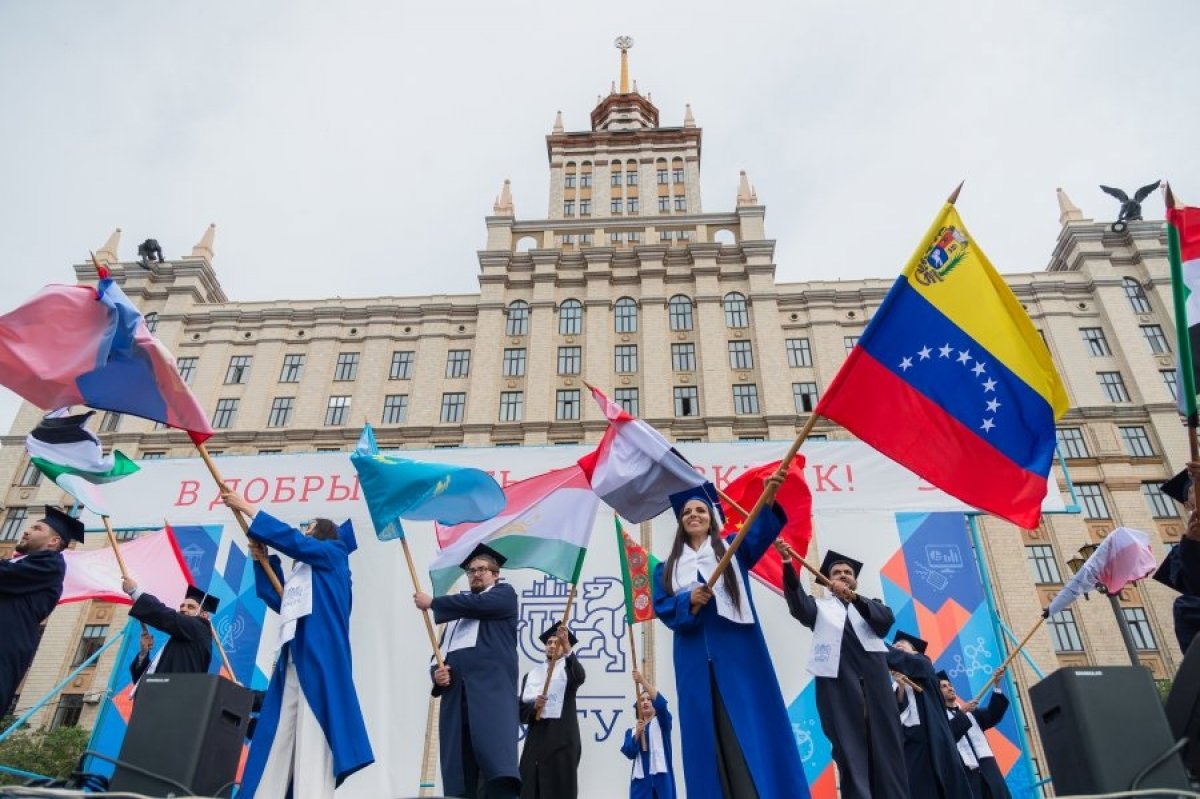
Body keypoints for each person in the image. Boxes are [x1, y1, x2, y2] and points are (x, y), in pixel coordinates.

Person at [652, 482, 809, 799]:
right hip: (693, 656)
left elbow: (759, 531)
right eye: (688, 512)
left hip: (739, 651)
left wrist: (769, 497)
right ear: (680, 522)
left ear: (711, 518)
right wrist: (688, 601)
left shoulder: (731, 552)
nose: (694, 515)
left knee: (751, 725)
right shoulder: (665, 569)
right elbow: (662, 607)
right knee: (704, 733)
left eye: (700, 510)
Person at [222, 490, 374, 799]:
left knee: (312, 733)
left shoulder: (334, 555)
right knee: (278, 732)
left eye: (309, 528)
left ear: (323, 534)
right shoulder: (303, 574)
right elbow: (279, 600)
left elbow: (296, 543)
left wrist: (250, 510)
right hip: (294, 656)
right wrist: (262, 560)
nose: (304, 532)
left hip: (321, 657)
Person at [779, 545, 907, 799]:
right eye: (836, 572)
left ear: (855, 581)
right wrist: (787, 564)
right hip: (838, 689)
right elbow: (798, 606)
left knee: (887, 751)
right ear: (828, 581)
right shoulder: (820, 609)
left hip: (876, 689)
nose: (842, 574)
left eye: (848, 572)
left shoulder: (871, 605)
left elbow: (884, 623)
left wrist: (854, 599)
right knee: (850, 752)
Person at [413, 542, 521, 799]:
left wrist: (433, 603)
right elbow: (438, 656)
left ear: (496, 574)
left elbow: (480, 605)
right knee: (460, 775)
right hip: (457, 700)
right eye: (471, 571)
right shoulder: (456, 617)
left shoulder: (504, 595)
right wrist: (437, 677)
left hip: (488, 699)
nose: (476, 574)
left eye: (482, 569)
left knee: (496, 770)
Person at [0, 507, 81, 715]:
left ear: (53, 541)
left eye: (37, 528)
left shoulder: (50, 564)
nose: (26, 531)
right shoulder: (19, 563)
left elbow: (5, 575)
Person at [887, 630, 973, 799]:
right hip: (911, 742)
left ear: (915, 652)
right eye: (894, 647)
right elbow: (896, 712)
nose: (896, 648)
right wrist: (901, 686)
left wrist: (876, 645)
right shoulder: (894, 687)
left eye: (901, 646)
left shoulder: (924, 665)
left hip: (933, 737)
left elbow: (903, 661)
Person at [518, 622, 585, 799]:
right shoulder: (531, 675)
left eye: (557, 643)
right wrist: (534, 707)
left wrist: (568, 646)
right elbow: (521, 713)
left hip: (561, 742)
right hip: (536, 742)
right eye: (549, 642)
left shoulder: (568, 670)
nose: (552, 646)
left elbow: (580, 677)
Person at [124, 581, 217, 686]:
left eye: (190, 607)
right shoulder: (179, 640)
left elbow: (166, 616)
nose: (183, 609)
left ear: (204, 615)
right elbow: (144, 682)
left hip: (175, 697)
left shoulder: (200, 627)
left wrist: (135, 592)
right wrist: (143, 654)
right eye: (182, 606)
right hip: (155, 697)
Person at [940, 668, 1012, 799]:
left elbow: (994, 714)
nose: (950, 688)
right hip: (966, 775)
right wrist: (962, 714)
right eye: (944, 687)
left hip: (988, 770)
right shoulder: (939, 720)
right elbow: (948, 737)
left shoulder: (973, 714)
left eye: (950, 685)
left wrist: (996, 684)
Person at [1153, 466, 1200, 653]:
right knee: (1186, 607)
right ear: (1188, 505)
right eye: (1193, 489)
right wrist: (1192, 545)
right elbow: (1195, 586)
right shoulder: (1182, 553)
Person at [620, 669, 676, 799]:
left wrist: (642, 682)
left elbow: (662, 705)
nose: (645, 702)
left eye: (649, 699)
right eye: (642, 700)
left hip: (661, 778)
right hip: (641, 782)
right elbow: (629, 752)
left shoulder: (663, 723)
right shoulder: (632, 730)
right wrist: (638, 735)